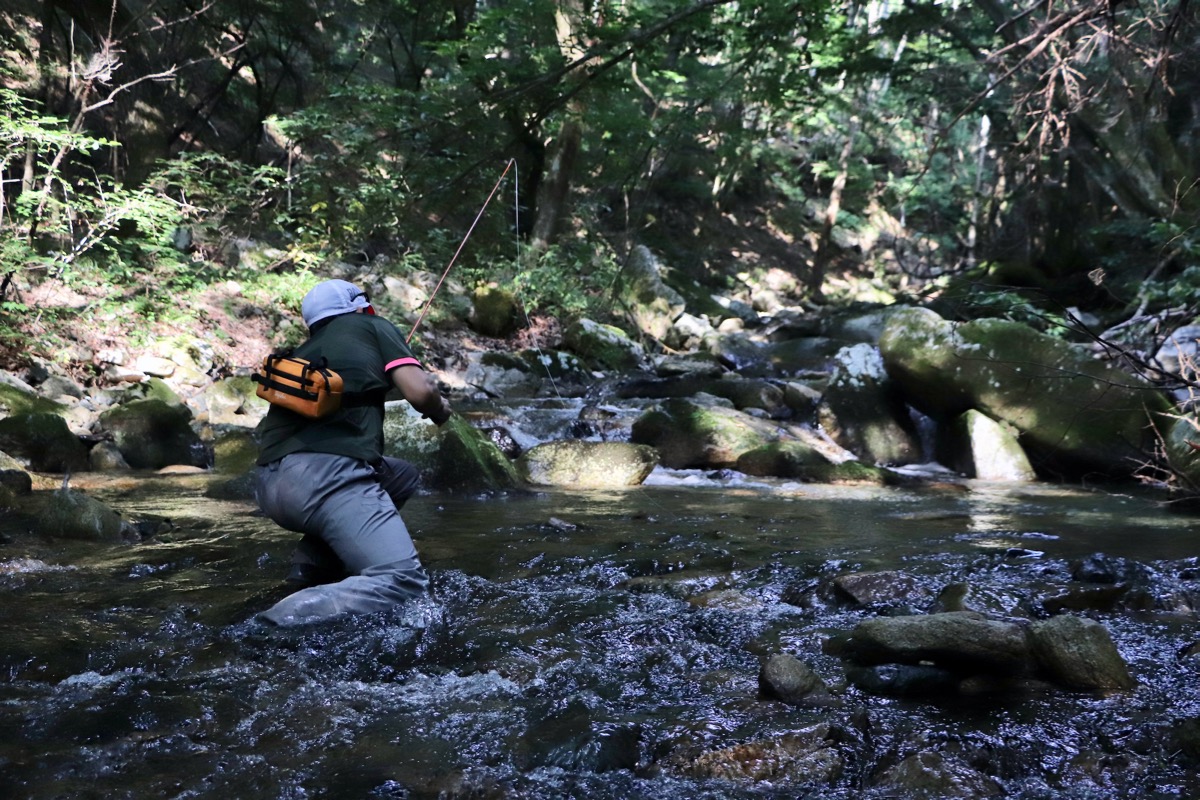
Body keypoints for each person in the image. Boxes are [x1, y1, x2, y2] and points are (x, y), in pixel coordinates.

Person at [252, 278, 452, 626]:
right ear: (361, 308)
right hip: (326, 481)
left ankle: (311, 565)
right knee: (402, 581)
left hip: (271, 487)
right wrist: (440, 409)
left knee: (401, 476)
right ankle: (279, 619)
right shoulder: (371, 326)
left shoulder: (307, 351)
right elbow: (419, 392)